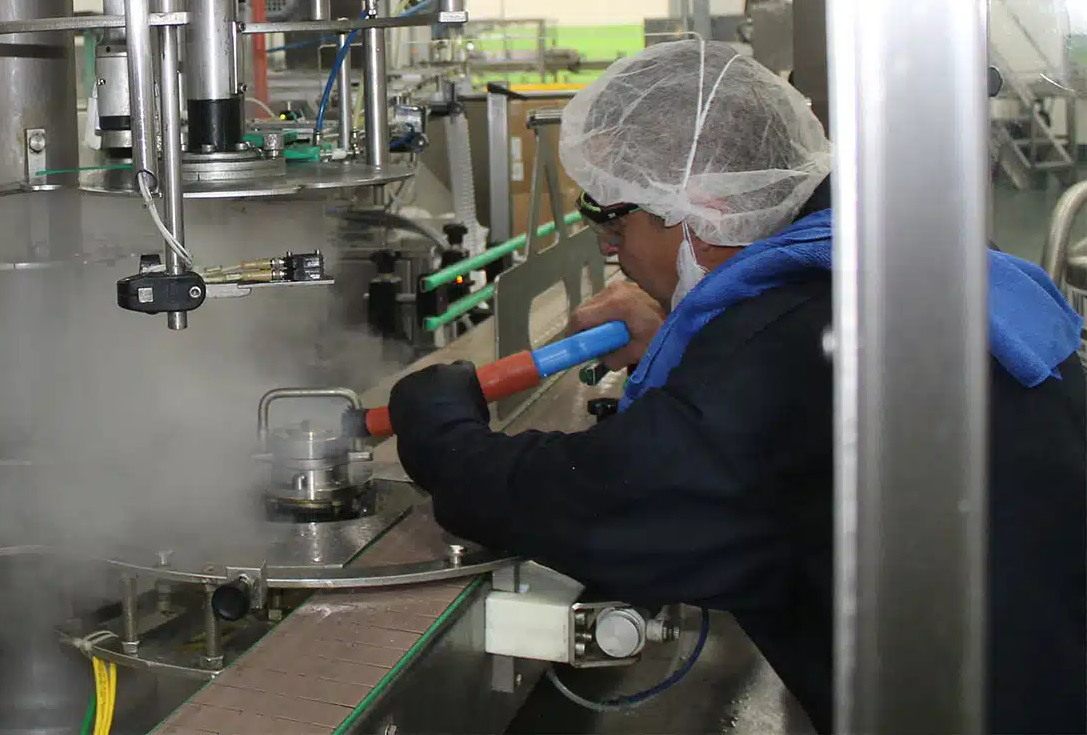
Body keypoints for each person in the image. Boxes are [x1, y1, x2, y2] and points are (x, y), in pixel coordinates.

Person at [388, 40, 1087, 733]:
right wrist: (679, 342)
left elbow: (605, 508)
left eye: (612, 214)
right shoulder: (894, 257)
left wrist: (444, 433)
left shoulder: (781, 348)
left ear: (707, 204)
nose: (606, 245)